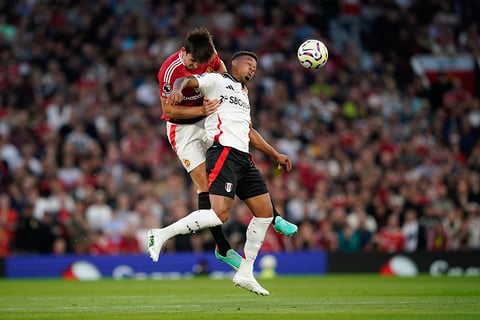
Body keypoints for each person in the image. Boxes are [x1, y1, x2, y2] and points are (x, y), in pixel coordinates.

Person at [157, 28, 297, 270]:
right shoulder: (170, 70)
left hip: (208, 116)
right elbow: (169, 112)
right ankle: (222, 249)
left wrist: (236, 91)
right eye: (191, 62)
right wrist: (201, 109)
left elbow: (223, 77)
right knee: (205, 185)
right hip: (182, 128)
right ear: (183, 52)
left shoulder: (210, 57)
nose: (194, 67)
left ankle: (273, 216)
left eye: (199, 64)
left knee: (234, 151)